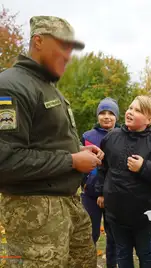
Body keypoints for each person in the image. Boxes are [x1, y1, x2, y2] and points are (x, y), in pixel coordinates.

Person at [0, 16, 101, 267]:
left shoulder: (47, 86)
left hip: (66, 202)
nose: (68, 55)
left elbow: (42, 141)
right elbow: (6, 160)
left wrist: (77, 150)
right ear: (38, 41)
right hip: (33, 210)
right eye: (62, 47)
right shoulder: (11, 87)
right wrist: (72, 161)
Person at [96, 96, 151, 268]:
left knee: (144, 251)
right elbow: (103, 167)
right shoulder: (112, 137)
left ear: (149, 119)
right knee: (122, 252)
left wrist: (143, 167)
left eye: (138, 110)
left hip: (142, 212)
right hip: (116, 210)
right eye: (130, 108)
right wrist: (100, 191)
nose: (131, 112)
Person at [81, 97, 119, 268]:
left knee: (114, 235)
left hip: (114, 195)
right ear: (97, 116)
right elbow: (79, 163)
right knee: (90, 234)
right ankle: (90, 264)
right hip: (90, 195)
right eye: (102, 113)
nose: (106, 117)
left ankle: (112, 264)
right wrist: (84, 184)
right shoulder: (87, 136)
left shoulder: (122, 136)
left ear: (117, 116)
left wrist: (105, 192)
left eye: (110, 113)